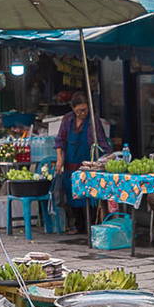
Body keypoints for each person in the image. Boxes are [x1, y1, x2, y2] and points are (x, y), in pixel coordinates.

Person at [54, 97, 110, 231]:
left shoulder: (93, 121)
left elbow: (101, 140)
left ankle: (91, 226)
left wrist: (106, 157)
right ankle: (79, 226)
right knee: (72, 194)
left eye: (85, 110)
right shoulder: (67, 119)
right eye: (79, 110)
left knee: (90, 195)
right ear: (73, 108)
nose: (82, 113)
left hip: (88, 164)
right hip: (70, 164)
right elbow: (60, 140)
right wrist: (59, 159)